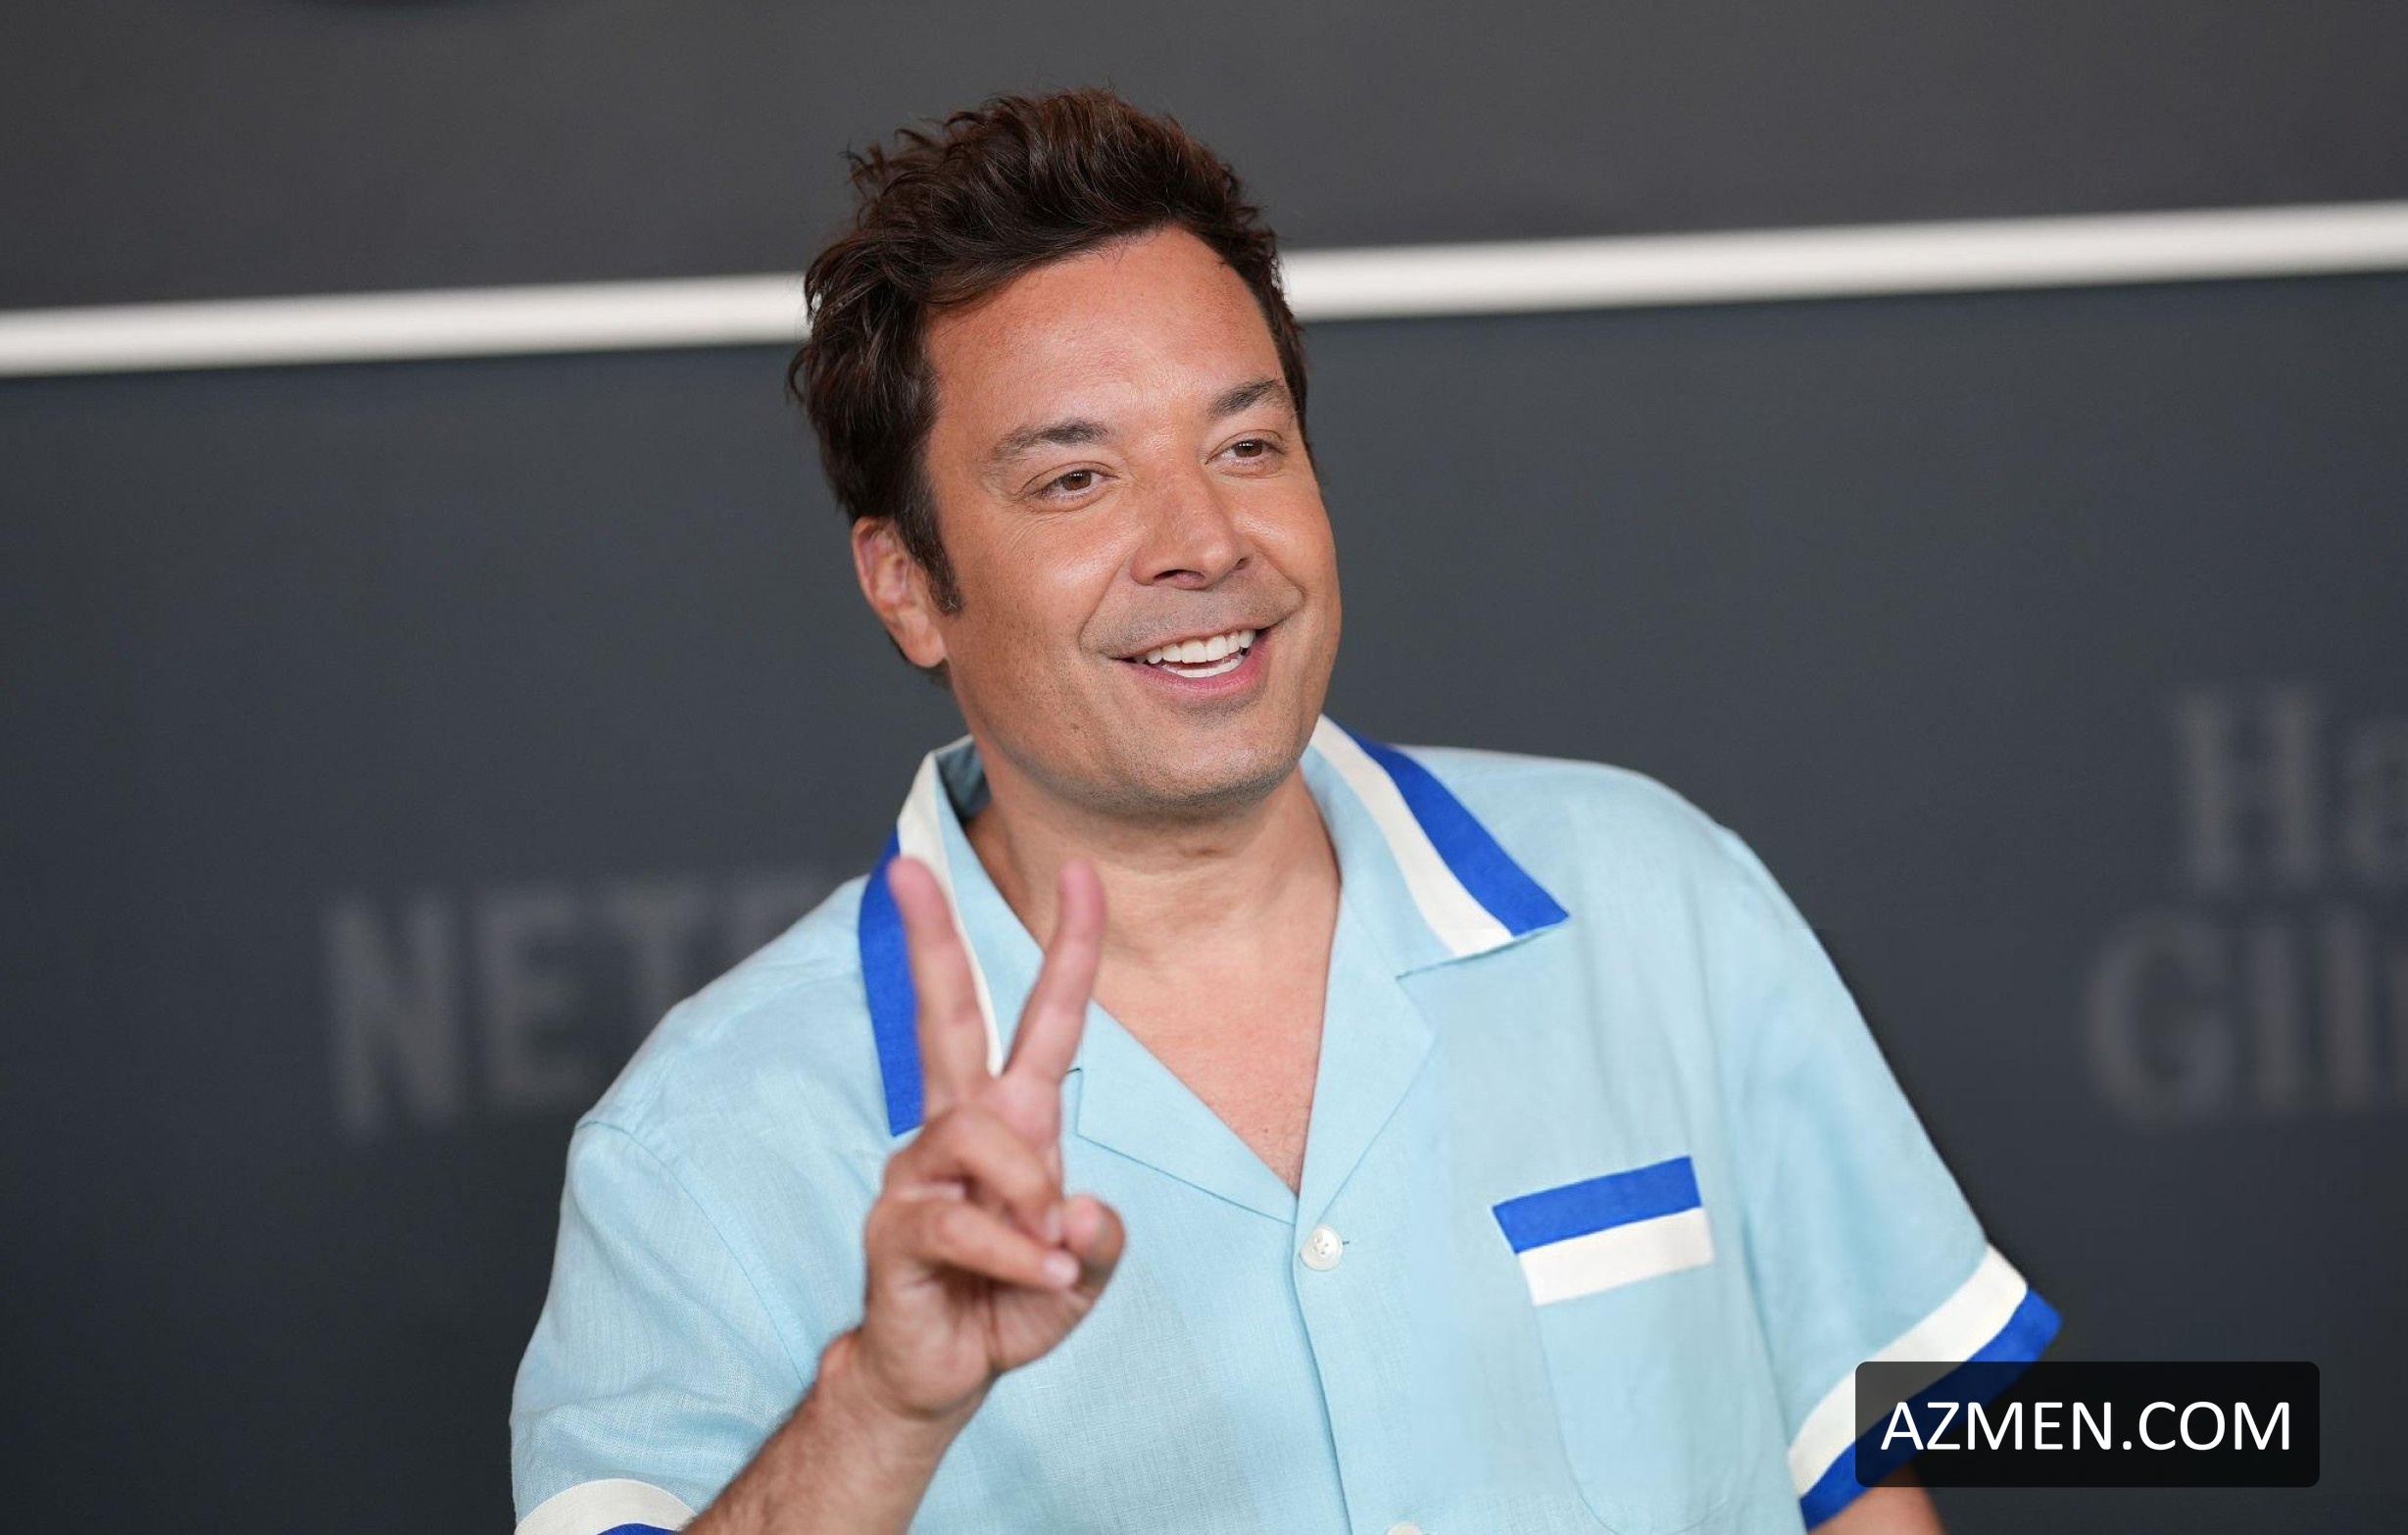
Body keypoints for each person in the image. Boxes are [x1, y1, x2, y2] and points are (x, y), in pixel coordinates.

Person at [509, 87, 2057, 1535]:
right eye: (1074, 480)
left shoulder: (1654, 898)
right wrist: (881, 1407)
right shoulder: (706, 1140)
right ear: (906, 583)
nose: (1201, 540)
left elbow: (1860, 1484)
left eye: (1245, 445)